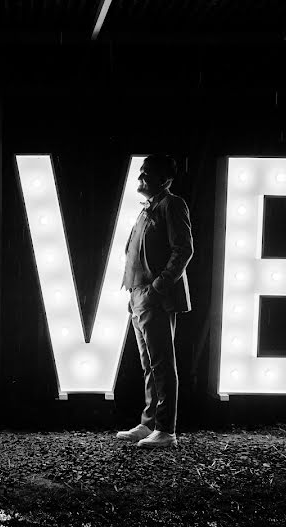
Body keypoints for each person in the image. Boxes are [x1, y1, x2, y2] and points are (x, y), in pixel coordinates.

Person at [116, 155, 193, 448]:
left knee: (161, 363)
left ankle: (166, 430)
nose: (140, 177)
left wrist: (156, 289)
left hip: (154, 298)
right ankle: (150, 424)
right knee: (149, 364)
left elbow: (183, 250)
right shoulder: (149, 208)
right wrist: (134, 293)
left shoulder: (172, 205)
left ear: (165, 180)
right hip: (139, 296)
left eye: (147, 173)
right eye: (141, 172)